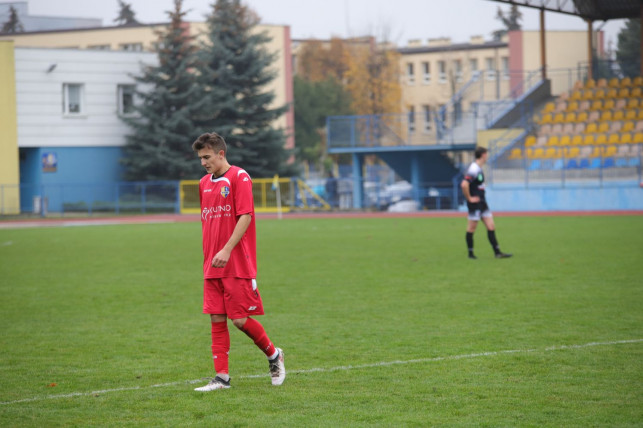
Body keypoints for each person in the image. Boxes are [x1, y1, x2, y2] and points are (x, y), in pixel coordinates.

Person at [192, 132, 285, 391]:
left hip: (235, 262)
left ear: (221, 153)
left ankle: (274, 355)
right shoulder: (203, 183)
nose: (203, 162)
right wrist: (211, 254)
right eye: (200, 158)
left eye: (207, 157)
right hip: (212, 263)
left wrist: (226, 249)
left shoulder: (239, 177)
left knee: (240, 320)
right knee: (216, 319)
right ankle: (221, 378)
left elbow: (246, 216)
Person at [460, 146, 512, 260]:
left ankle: (498, 252)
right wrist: (469, 198)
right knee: (471, 228)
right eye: (486, 154)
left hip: (482, 202)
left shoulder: (478, 167)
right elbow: (464, 184)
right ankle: (470, 254)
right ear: (483, 155)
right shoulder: (473, 168)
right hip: (476, 203)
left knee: (491, 226)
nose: (487, 156)